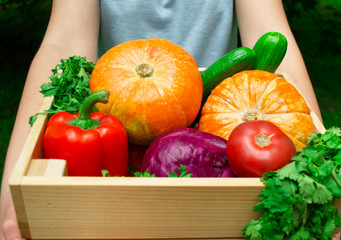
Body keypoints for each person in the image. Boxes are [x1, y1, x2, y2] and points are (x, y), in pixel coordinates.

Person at [0, 0, 324, 239]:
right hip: (118, 126)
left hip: (217, 126)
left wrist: (320, 164)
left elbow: (273, 37)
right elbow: (63, 45)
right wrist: (16, 199)